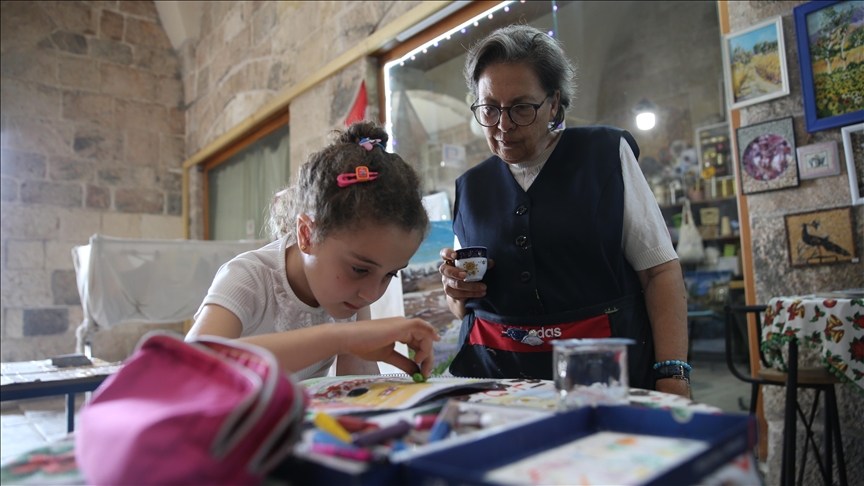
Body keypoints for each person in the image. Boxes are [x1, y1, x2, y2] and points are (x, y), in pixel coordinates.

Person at [439, 25, 690, 397]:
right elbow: (465, 309)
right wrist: (456, 292)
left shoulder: (605, 156)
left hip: (604, 377)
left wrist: (672, 373)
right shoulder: (470, 188)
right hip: (498, 384)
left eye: (521, 108)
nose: (503, 125)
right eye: (489, 109)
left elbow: (660, 273)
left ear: (554, 103)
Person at [187, 121, 440, 380]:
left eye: (391, 274)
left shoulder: (354, 295)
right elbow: (188, 365)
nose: (371, 294)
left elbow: (355, 389)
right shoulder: (248, 278)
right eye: (359, 269)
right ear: (307, 234)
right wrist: (342, 338)